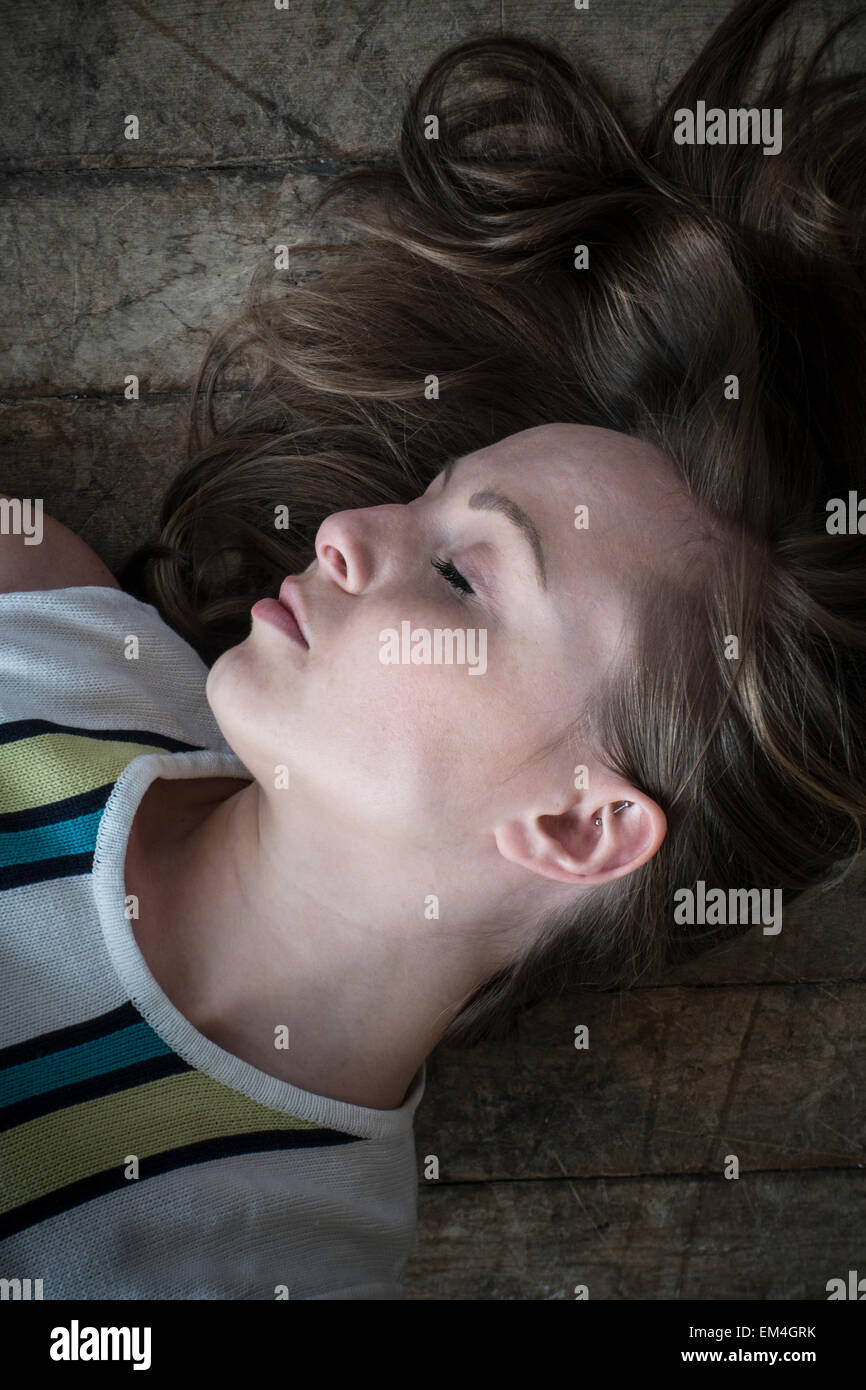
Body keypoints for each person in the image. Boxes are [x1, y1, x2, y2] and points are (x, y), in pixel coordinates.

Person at [1, 0, 864, 1299]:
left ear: (575, 828)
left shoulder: (256, 1265)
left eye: (460, 572)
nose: (347, 532)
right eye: (425, 498)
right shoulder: (45, 623)